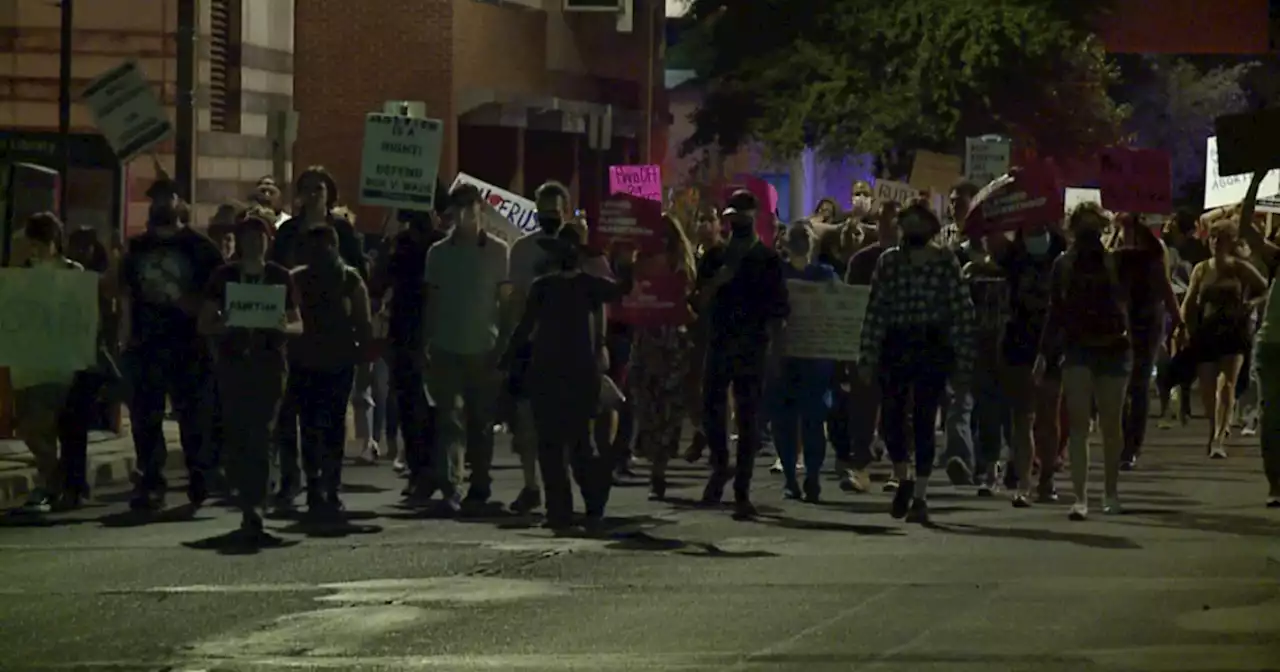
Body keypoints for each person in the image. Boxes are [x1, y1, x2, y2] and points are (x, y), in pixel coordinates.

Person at [500, 225, 634, 531]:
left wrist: (508, 357)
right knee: (576, 445)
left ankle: (563, 510)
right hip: (572, 374)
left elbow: (524, 327)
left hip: (554, 373)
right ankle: (587, 506)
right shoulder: (584, 285)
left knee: (557, 447)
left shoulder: (548, 286)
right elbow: (622, 289)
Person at [859, 202, 975, 524]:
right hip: (895, 345)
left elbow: (962, 312)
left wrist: (964, 358)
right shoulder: (889, 262)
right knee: (893, 419)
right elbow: (875, 312)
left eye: (916, 224)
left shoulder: (944, 262)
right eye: (905, 224)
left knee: (925, 420)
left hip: (931, 346)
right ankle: (903, 475)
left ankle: (921, 495)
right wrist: (867, 356)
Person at [119, 180, 225, 512]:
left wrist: (194, 307)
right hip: (145, 343)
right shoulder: (136, 248)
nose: (161, 203)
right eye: (156, 199)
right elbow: (124, 294)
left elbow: (221, 295)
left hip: (189, 344)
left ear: (181, 203)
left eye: (168, 197)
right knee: (145, 418)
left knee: (194, 417)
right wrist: (123, 338)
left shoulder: (202, 248)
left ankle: (199, 476)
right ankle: (151, 481)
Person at [198, 209, 302, 537]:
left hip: (270, 364)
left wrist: (284, 326)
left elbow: (298, 323)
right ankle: (248, 499)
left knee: (261, 431)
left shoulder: (280, 277)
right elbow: (204, 322)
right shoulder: (224, 277)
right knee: (239, 433)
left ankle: (256, 503)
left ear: (269, 241)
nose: (254, 244)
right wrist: (223, 323)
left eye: (260, 238)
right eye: (247, 238)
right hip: (233, 364)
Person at [693, 190, 789, 518]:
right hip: (719, 343)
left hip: (752, 346)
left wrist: (777, 350)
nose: (737, 223)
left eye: (743, 217)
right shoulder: (714, 257)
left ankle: (742, 490)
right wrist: (718, 282)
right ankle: (721, 465)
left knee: (748, 420)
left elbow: (779, 310)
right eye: (733, 217)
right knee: (712, 411)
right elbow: (697, 302)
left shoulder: (768, 259)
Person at [1035, 202, 1131, 520]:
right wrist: (1044, 352)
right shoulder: (1064, 265)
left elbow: (1131, 299)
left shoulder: (1116, 261)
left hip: (1112, 347)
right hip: (1078, 349)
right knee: (1078, 425)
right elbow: (1055, 311)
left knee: (1110, 426)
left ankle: (1110, 492)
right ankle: (1081, 497)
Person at [423, 183, 511, 515]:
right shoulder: (438, 253)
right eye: (457, 208)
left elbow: (504, 302)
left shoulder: (498, 251)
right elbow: (432, 301)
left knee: (480, 420)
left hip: (483, 346)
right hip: (446, 345)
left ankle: (481, 480)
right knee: (449, 419)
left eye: (469, 207)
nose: (463, 215)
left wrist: (504, 342)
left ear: (480, 210)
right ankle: (451, 484)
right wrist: (427, 342)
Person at [8, 213, 94, 514]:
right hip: (26, 363)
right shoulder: (20, 273)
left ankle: (53, 482)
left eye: (39, 243)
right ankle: (60, 480)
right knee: (30, 429)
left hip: (59, 364)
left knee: (47, 425)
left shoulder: (71, 272)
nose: (35, 250)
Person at [287, 225, 374, 516]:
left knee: (333, 428)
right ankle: (315, 486)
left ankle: (330, 486)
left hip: (338, 362)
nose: (320, 253)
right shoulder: (296, 279)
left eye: (325, 246)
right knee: (310, 428)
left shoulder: (349, 279)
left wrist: (364, 364)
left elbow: (363, 323)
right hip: (305, 362)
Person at [504, 180, 575, 514]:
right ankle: (531, 484)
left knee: (564, 423)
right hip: (531, 344)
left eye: (555, 213)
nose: (549, 218)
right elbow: (515, 299)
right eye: (543, 212)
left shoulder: (576, 248)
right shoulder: (521, 250)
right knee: (526, 419)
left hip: (566, 345)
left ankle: (561, 486)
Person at [368, 207, 446, 498]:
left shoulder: (442, 245)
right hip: (405, 333)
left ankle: (439, 469)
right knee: (411, 406)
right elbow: (378, 283)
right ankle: (420, 471)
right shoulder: (398, 246)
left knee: (437, 408)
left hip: (437, 332)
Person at [1181, 217, 1267, 458]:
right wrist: (1186, 327)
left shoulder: (1240, 267)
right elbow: (1189, 301)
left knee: (1226, 385)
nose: (1216, 242)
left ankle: (1218, 438)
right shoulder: (1202, 269)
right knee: (1208, 388)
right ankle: (1214, 428)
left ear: (1231, 242)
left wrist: (1251, 304)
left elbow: (1264, 289)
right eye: (1213, 238)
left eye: (1222, 238)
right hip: (1207, 331)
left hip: (1234, 330)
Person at [998, 215, 1068, 504]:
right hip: (1019, 342)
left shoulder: (1062, 256)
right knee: (1022, 416)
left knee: (1048, 417)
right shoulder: (1013, 257)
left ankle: (1047, 480)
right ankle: (1025, 483)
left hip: (1051, 343)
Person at [629, 214, 697, 500]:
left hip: (671, 340)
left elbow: (685, 298)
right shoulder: (641, 260)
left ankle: (660, 466)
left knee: (668, 405)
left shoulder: (680, 265)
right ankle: (653, 455)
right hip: (647, 338)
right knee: (646, 401)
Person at [768, 222, 837, 502]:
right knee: (784, 420)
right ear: (785, 242)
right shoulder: (776, 274)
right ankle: (789, 477)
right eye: (796, 235)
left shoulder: (826, 275)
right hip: (784, 358)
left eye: (806, 234)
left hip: (814, 359)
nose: (801, 239)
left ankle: (812, 475)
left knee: (813, 419)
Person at [1111, 213, 1184, 470]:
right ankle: (1121, 439)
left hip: (1147, 321)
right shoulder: (1114, 249)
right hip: (1119, 321)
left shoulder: (1154, 250)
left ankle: (1132, 446)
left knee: (1139, 384)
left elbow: (1164, 285)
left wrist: (1178, 319)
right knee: (1119, 384)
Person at [841, 200, 901, 493]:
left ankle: (899, 468)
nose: (889, 228)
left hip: (900, 344)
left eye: (895, 222)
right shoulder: (862, 261)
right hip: (867, 342)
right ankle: (860, 467)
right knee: (863, 407)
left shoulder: (913, 261)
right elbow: (850, 303)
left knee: (900, 407)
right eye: (885, 222)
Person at [1235, 171, 1280, 506]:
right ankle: (1276, 485)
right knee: (1270, 417)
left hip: (1270, 346)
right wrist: (1256, 181)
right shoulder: (1277, 257)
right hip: (1273, 346)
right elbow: (1247, 227)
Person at [941, 180, 982, 487]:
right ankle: (961, 458)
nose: (955, 206)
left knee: (981, 404)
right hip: (954, 331)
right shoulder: (944, 238)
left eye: (961, 201)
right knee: (958, 401)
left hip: (985, 331)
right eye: (952, 201)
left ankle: (981, 460)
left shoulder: (987, 239)